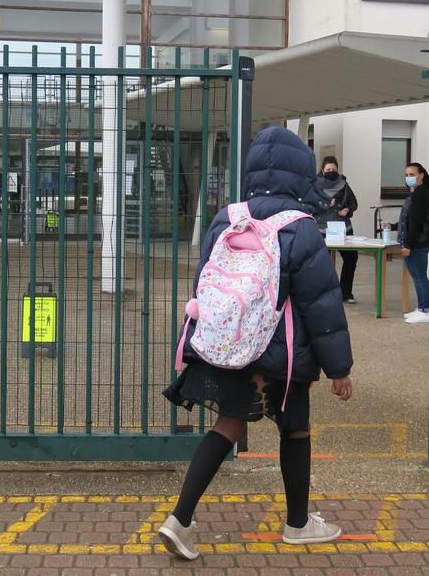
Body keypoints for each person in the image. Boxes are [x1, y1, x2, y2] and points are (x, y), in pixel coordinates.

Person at [159, 127, 354, 561]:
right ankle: (299, 524)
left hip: (230, 347)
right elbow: (322, 306)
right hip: (282, 354)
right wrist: (339, 368)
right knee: (296, 429)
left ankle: (180, 519)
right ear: (299, 174)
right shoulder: (300, 228)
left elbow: (205, 283)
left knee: (227, 426)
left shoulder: (227, 217)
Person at [316, 156, 359, 304]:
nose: (331, 172)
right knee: (323, 262)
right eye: (328, 170)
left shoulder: (344, 184)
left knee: (351, 258)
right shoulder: (315, 185)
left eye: (333, 169)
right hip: (322, 230)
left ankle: (346, 293)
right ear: (322, 170)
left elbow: (354, 203)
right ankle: (325, 294)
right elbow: (308, 206)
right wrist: (324, 204)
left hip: (343, 228)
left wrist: (347, 210)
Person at [399, 162, 429, 325]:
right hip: (417, 241)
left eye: (412, 175)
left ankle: (424, 310)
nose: (409, 178)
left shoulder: (421, 194)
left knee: (419, 276)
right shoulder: (419, 192)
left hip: (418, 242)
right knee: (417, 275)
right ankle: (421, 308)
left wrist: (408, 245)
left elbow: (416, 221)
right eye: (407, 175)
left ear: (421, 176)